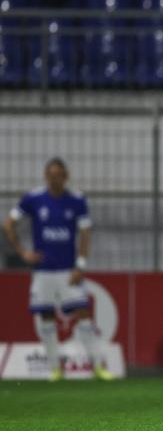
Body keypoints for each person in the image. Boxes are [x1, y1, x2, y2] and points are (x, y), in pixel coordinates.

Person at [2, 157, 113, 381]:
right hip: (43, 271)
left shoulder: (77, 201)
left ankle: (97, 366)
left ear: (65, 177)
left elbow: (85, 234)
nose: (54, 179)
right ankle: (55, 369)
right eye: (51, 176)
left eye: (58, 175)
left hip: (68, 270)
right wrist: (23, 252)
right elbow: (8, 223)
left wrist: (81, 265)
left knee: (83, 314)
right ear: (46, 177)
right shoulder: (34, 199)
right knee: (47, 317)